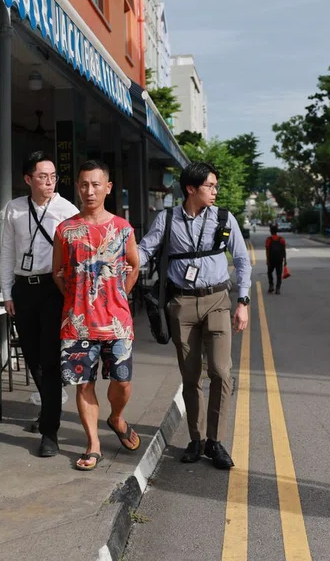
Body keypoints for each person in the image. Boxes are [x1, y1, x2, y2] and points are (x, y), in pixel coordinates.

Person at [137, 161, 251, 470]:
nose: (215, 191)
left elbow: (241, 260)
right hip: (182, 305)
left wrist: (242, 301)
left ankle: (215, 441)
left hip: (217, 300)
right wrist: (117, 254)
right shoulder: (167, 219)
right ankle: (196, 439)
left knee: (220, 372)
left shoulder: (225, 219)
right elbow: (144, 251)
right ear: (191, 188)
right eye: (210, 186)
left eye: (216, 186)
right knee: (190, 377)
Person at [53, 160, 141, 472]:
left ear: (107, 188)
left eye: (95, 184)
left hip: (116, 321)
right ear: (77, 187)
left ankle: (116, 417)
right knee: (83, 383)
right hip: (76, 323)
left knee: (123, 381)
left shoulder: (121, 228)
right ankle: (93, 444)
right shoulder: (65, 230)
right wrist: (77, 299)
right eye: (83, 185)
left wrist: (119, 293)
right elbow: (58, 273)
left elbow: (134, 264)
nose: (89, 191)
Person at [0, 152, 79, 457]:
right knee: (31, 356)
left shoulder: (66, 209)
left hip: (52, 289)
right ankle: (50, 405)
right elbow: (7, 252)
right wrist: (7, 292)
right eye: (43, 176)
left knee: (48, 358)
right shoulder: (15, 209)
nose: (49, 181)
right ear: (28, 179)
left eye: (53, 176)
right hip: (23, 290)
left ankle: (50, 432)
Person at [265, 224, 287, 294]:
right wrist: (285, 260)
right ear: (277, 231)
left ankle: (271, 285)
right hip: (279, 259)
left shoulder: (269, 239)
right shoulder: (281, 239)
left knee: (269, 272)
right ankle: (278, 288)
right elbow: (284, 250)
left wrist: (268, 260)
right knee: (279, 274)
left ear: (271, 231)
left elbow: (267, 250)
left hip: (271, 259)